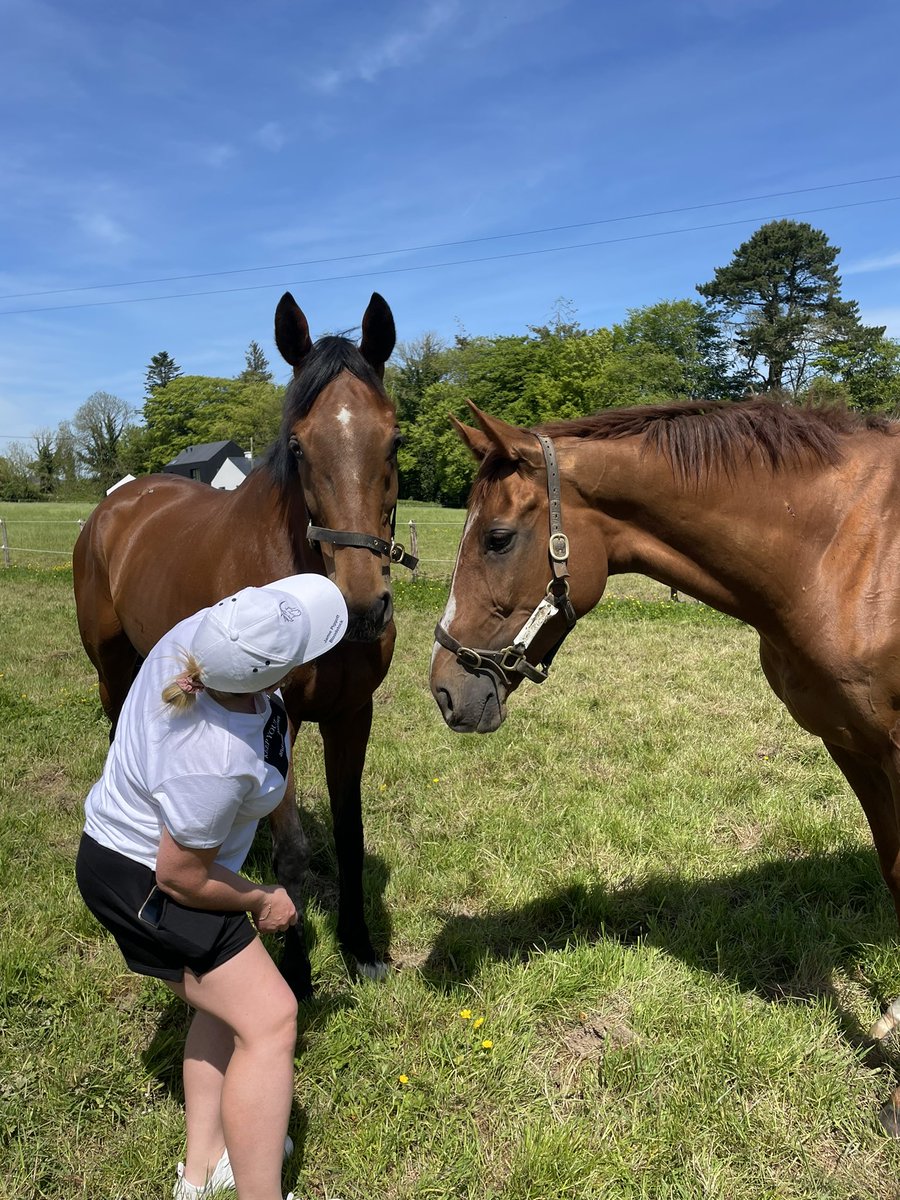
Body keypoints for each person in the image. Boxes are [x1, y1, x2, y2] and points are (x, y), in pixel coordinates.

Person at [76, 575, 348, 1200]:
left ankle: (202, 1171)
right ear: (276, 675)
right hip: (144, 877)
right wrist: (262, 898)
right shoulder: (215, 758)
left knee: (228, 1006)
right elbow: (179, 875)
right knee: (272, 1019)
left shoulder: (199, 639)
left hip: (139, 859)